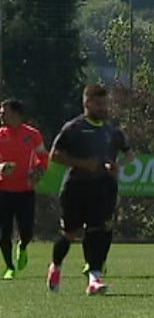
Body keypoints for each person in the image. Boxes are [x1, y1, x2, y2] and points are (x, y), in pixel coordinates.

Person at [47, 84, 134, 295]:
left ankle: (94, 278)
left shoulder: (111, 131)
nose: (103, 107)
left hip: (103, 187)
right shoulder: (74, 128)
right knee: (69, 233)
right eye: (99, 103)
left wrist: (118, 166)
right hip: (76, 188)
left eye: (105, 103)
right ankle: (56, 266)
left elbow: (130, 154)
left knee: (98, 229)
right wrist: (83, 163)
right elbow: (55, 155)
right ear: (87, 103)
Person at [0, 99, 48, 280]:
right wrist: (1, 167)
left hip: (25, 190)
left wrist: (39, 170)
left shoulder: (32, 134)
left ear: (17, 114)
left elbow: (43, 157)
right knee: (4, 232)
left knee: (27, 230)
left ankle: (23, 246)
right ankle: (9, 267)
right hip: (3, 190)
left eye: (4, 112)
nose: (1, 115)